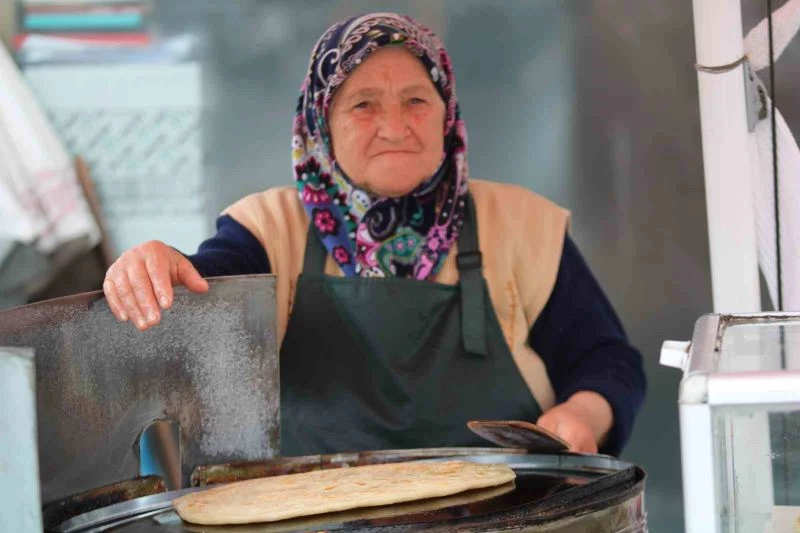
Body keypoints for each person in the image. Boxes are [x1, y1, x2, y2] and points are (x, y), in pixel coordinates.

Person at [102, 12, 646, 457]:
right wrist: (160, 264)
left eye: (416, 100)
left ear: (446, 115)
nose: (394, 126)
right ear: (322, 123)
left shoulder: (522, 226)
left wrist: (582, 414)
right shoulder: (268, 230)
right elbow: (205, 285)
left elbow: (606, 361)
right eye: (363, 104)